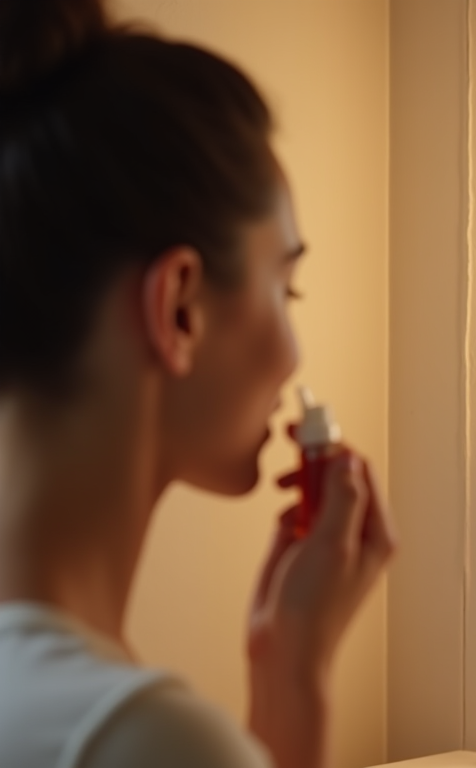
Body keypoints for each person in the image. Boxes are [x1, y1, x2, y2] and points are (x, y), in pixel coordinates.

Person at [0, 1, 396, 767]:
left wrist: (289, 667)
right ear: (179, 307)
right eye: (287, 288)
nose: (292, 351)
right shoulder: (136, 737)